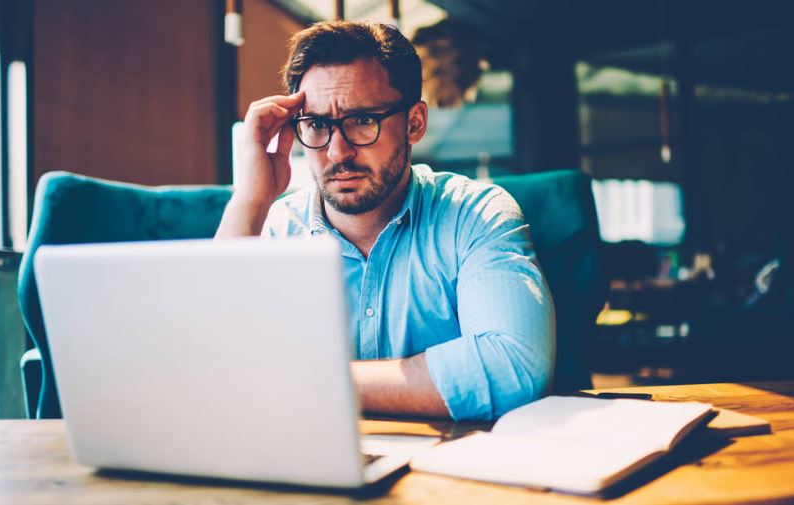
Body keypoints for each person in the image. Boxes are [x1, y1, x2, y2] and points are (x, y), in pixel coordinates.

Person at [215, 21, 555, 421]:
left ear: (414, 123)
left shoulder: (475, 214)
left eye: (362, 121)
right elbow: (206, 366)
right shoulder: (276, 230)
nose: (337, 152)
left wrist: (311, 381)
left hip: (452, 458)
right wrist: (251, 200)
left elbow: (514, 367)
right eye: (317, 125)